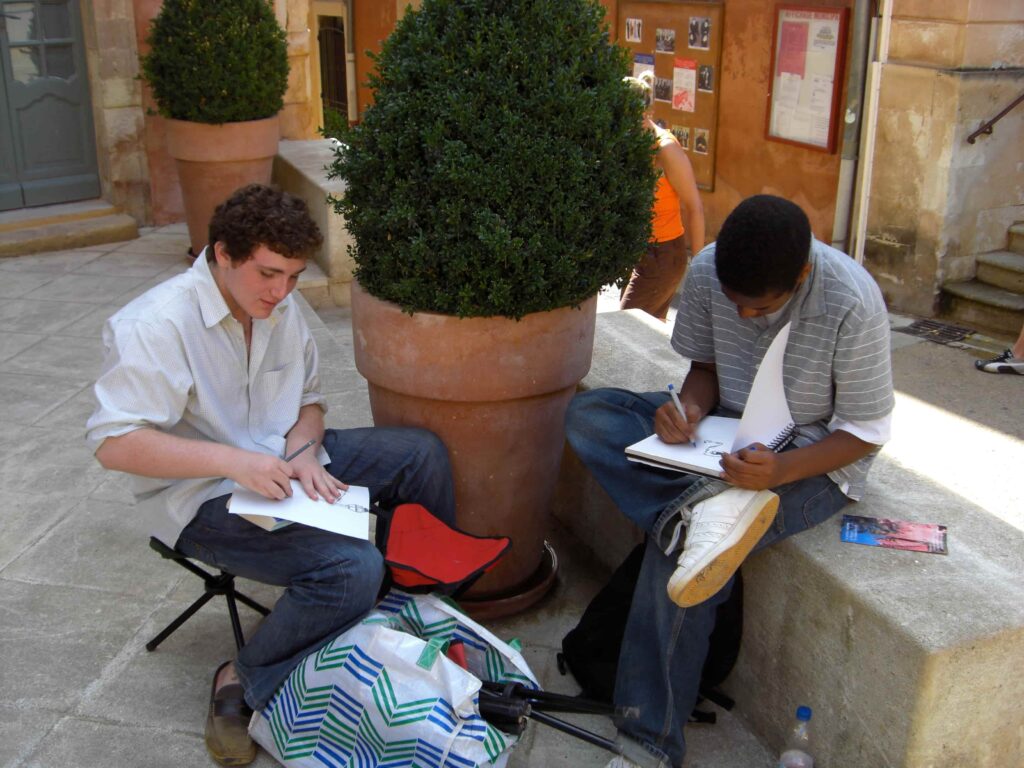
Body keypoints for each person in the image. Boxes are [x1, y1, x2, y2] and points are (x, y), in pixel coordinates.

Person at [86, 184, 455, 766]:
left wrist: (305, 451)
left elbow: (308, 400)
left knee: (420, 453)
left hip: (284, 458)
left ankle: (409, 612)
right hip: (201, 497)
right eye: (267, 274)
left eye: (292, 276)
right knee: (350, 566)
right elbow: (113, 443)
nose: (281, 292)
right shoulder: (155, 325)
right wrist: (238, 463)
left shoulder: (278, 306)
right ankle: (242, 678)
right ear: (222, 254)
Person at [566, 195, 894, 768]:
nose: (744, 318)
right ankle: (701, 513)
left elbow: (865, 433)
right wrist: (687, 411)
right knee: (589, 416)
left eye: (759, 308)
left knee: (683, 557)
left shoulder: (852, 300)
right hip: (722, 432)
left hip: (813, 456)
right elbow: (705, 372)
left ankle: (649, 743)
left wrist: (783, 469)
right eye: (733, 303)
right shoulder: (705, 273)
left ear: (802, 275)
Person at [620, 72, 705, 321]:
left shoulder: (666, 149)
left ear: (644, 114)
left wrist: (698, 272)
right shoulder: (631, 141)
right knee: (645, 336)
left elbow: (694, 207)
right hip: (641, 251)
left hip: (664, 255)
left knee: (625, 331)